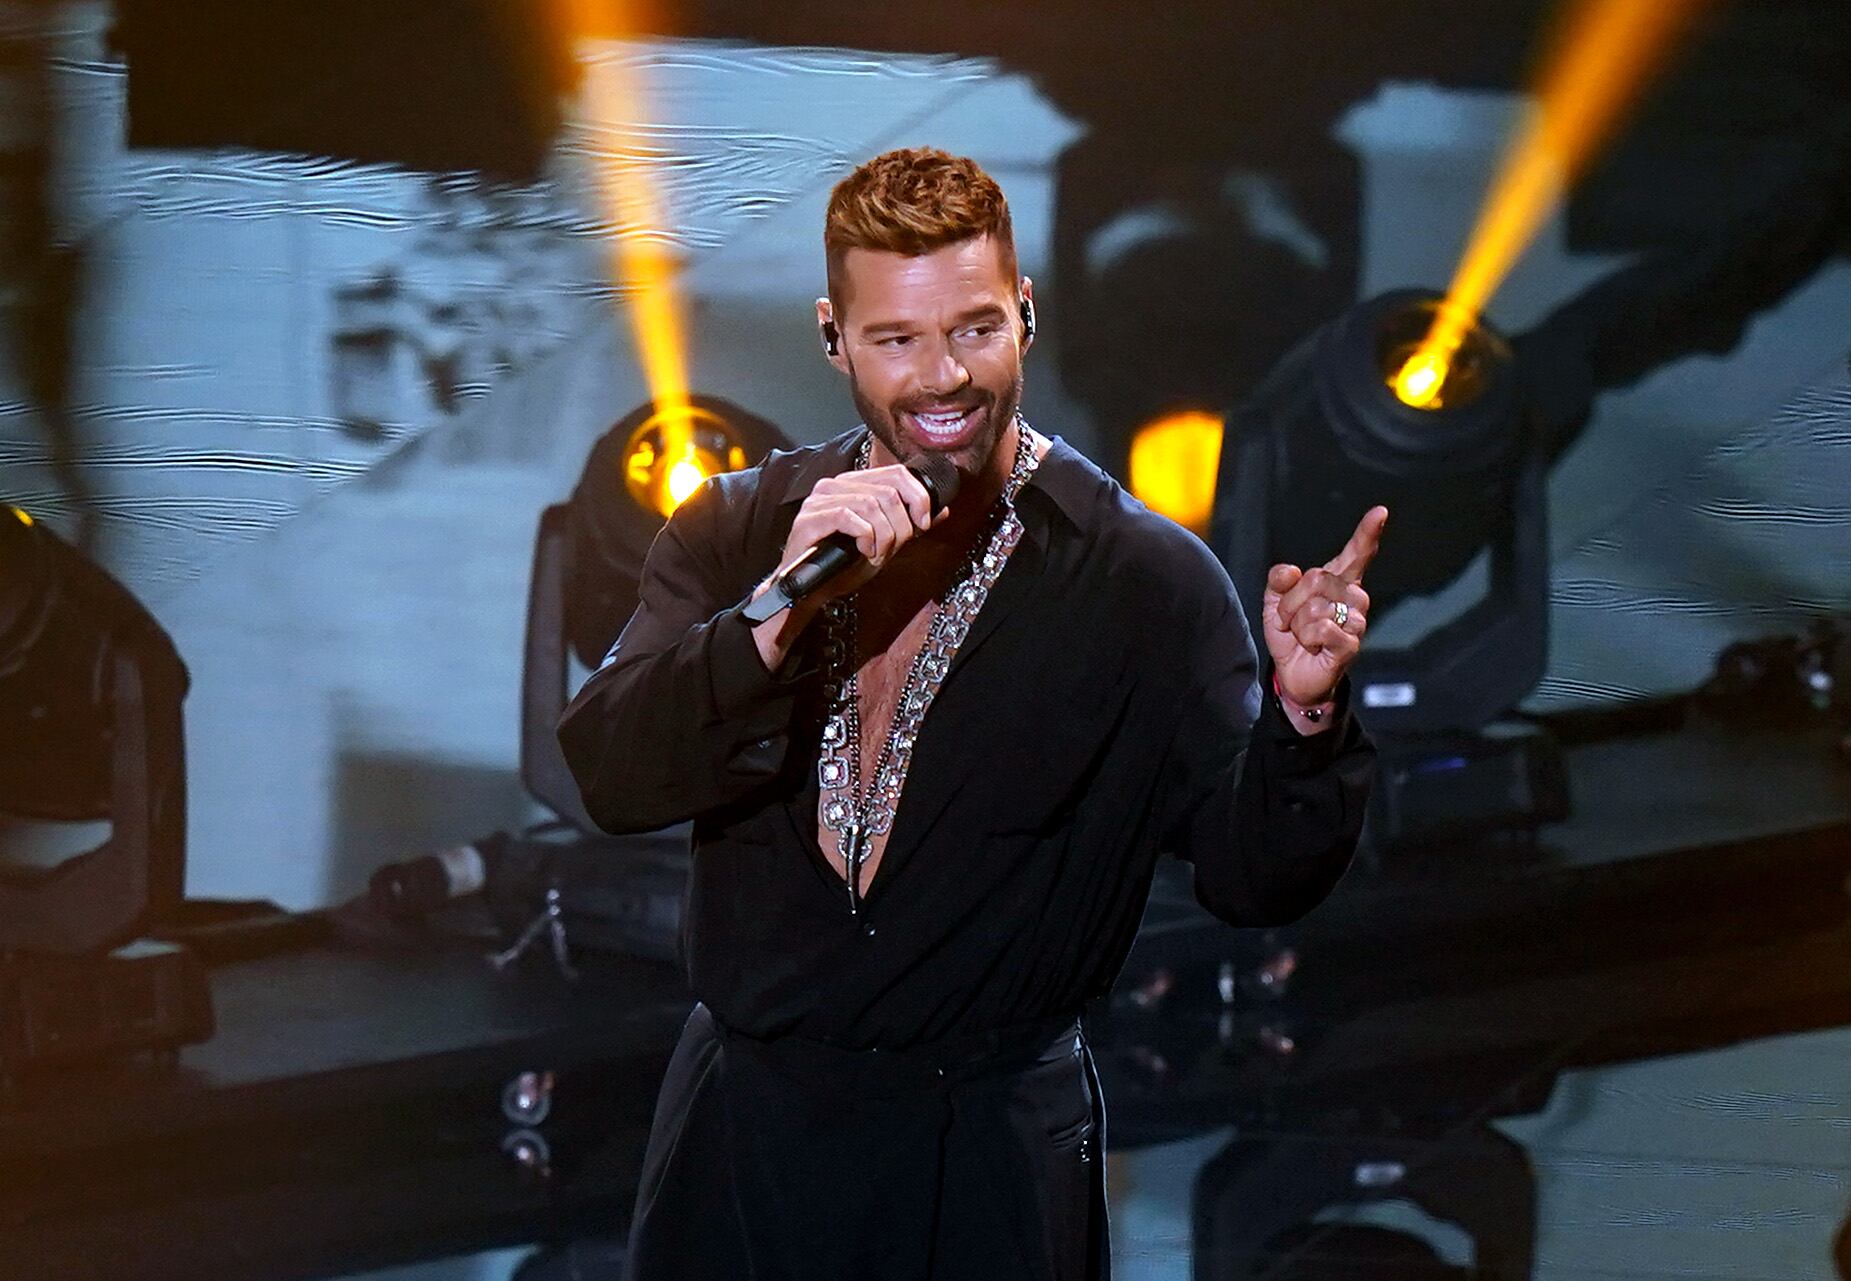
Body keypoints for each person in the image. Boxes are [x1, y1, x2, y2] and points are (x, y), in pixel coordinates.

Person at [556, 147, 1383, 1281]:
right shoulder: (743, 532)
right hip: (740, 1134)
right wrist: (777, 613)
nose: (943, 377)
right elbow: (612, 773)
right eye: (896, 339)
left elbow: (1255, 874)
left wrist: (1305, 714)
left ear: (1027, 317)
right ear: (833, 338)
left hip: (984, 1147)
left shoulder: (1142, 581)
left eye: (975, 329)